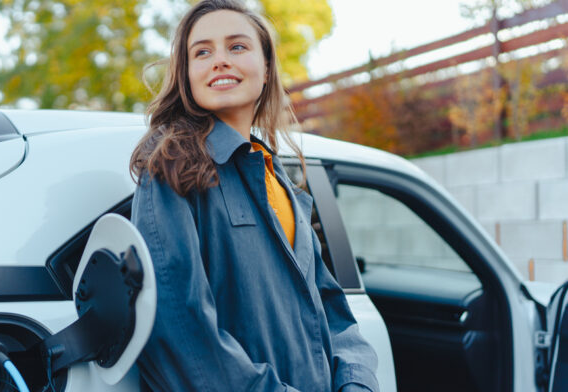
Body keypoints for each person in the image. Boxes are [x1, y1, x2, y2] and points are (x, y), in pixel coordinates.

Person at [128, 0, 379, 391]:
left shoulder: (277, 179)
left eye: (238, 46)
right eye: (202, 52)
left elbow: (332, 311)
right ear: (187, 74)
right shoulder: (170, 165)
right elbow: (180, 330)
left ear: (266, 68)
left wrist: (356, 382)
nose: (220, 60)